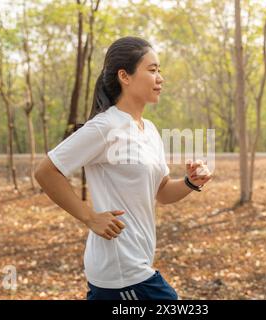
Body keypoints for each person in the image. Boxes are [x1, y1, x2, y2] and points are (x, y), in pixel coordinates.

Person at [35, 36, 213, 300]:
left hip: (133, 264)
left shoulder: (149, 130)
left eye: (159, 70)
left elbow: (162, 192)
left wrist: (190, 182)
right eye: (152, 70)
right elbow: (46, 171)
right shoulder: (105, 127)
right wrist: (89, 216)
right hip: (121, 270)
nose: (160, 78)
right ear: (124, 76)